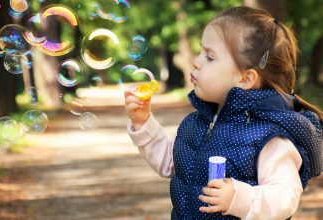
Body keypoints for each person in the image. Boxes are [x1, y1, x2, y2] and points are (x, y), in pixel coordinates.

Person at [124, 6, 323, 220]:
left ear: (245, 79)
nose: (196, 61)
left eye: (209, 57)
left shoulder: (268, 136)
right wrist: (144, 122)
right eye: (200, 51)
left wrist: (238, 198)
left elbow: (285, 196)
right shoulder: (196, 123)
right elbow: (172, 164)